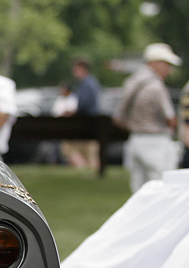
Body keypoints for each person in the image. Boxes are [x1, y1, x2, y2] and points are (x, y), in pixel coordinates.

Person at [112, 42, 182, 192]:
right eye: (167, 64)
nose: (169, 70)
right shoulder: (156, 86)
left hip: (135, 139)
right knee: (160, 188)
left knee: (139, 191)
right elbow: (170, 118)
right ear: (156, 63)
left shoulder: (131, 81)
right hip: (156, 141)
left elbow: (118, 117)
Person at [58, 58, 102, 170]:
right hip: (92, 123)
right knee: (90, 152)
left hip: (85, 123)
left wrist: (72, 113)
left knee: (71, 148)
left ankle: (82, 168)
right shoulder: (92, 82)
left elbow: (84, 105)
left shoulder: (86, 84)